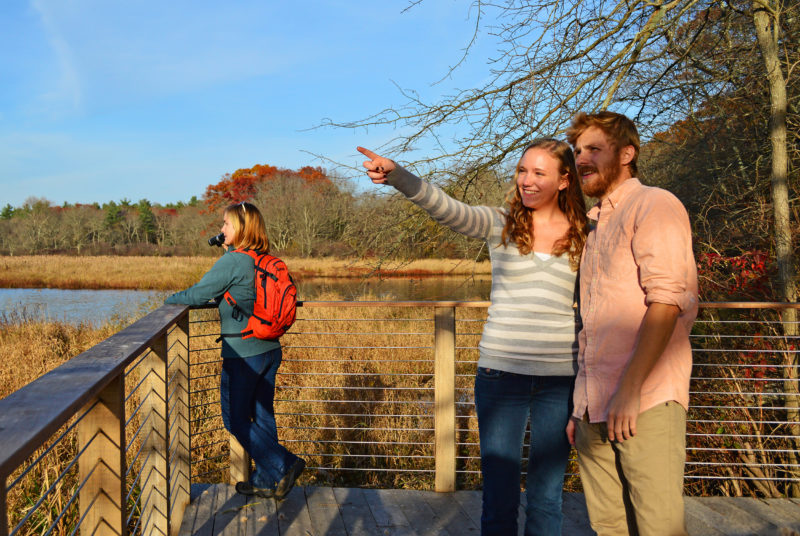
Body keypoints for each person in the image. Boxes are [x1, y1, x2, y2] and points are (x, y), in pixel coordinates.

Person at [358, 141, 588, 536]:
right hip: (501, 376)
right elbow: (447, 208)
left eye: (538, 173)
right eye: (521, 171)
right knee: (498, 496)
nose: (525, 181)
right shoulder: (501, 223)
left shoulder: (588, 235)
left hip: (560, 380)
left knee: (547, 497)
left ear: (565, 180)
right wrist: (397, 176)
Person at [564, 111, 698, 536]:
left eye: (593, 149)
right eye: (578, 150)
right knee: (609, 527)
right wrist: (579, 407)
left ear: (627, 153)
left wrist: (630, 389)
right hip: (594, 406)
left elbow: (667, 301)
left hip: (645, 401)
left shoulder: (654, 204)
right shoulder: (596, 224)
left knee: (658, 527)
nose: (581, 158)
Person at [165, 201, 305, 500]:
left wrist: (169, 301)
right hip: (269, 349)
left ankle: (284, 464)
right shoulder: (261, 259)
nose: (221, 229)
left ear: (240, 228)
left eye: (226, 224)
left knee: (235, 419)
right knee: (262, 416)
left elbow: (199, 293)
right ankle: (268, 480)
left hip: (243, 354)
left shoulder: (233, 262)